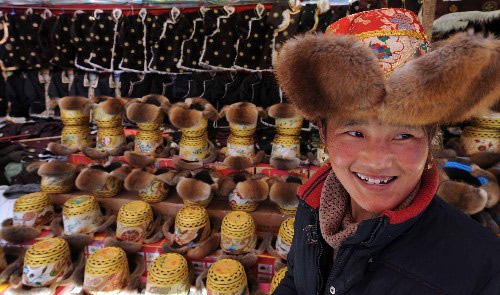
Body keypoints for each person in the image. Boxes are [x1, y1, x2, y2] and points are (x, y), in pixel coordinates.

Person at [272, 8, 500, 295]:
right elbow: (297, 278)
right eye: (355, 133)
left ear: (429, 138)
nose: (377, 160)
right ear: (323, 133)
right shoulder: (314, 206)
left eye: (403, 135)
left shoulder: (485, 270)